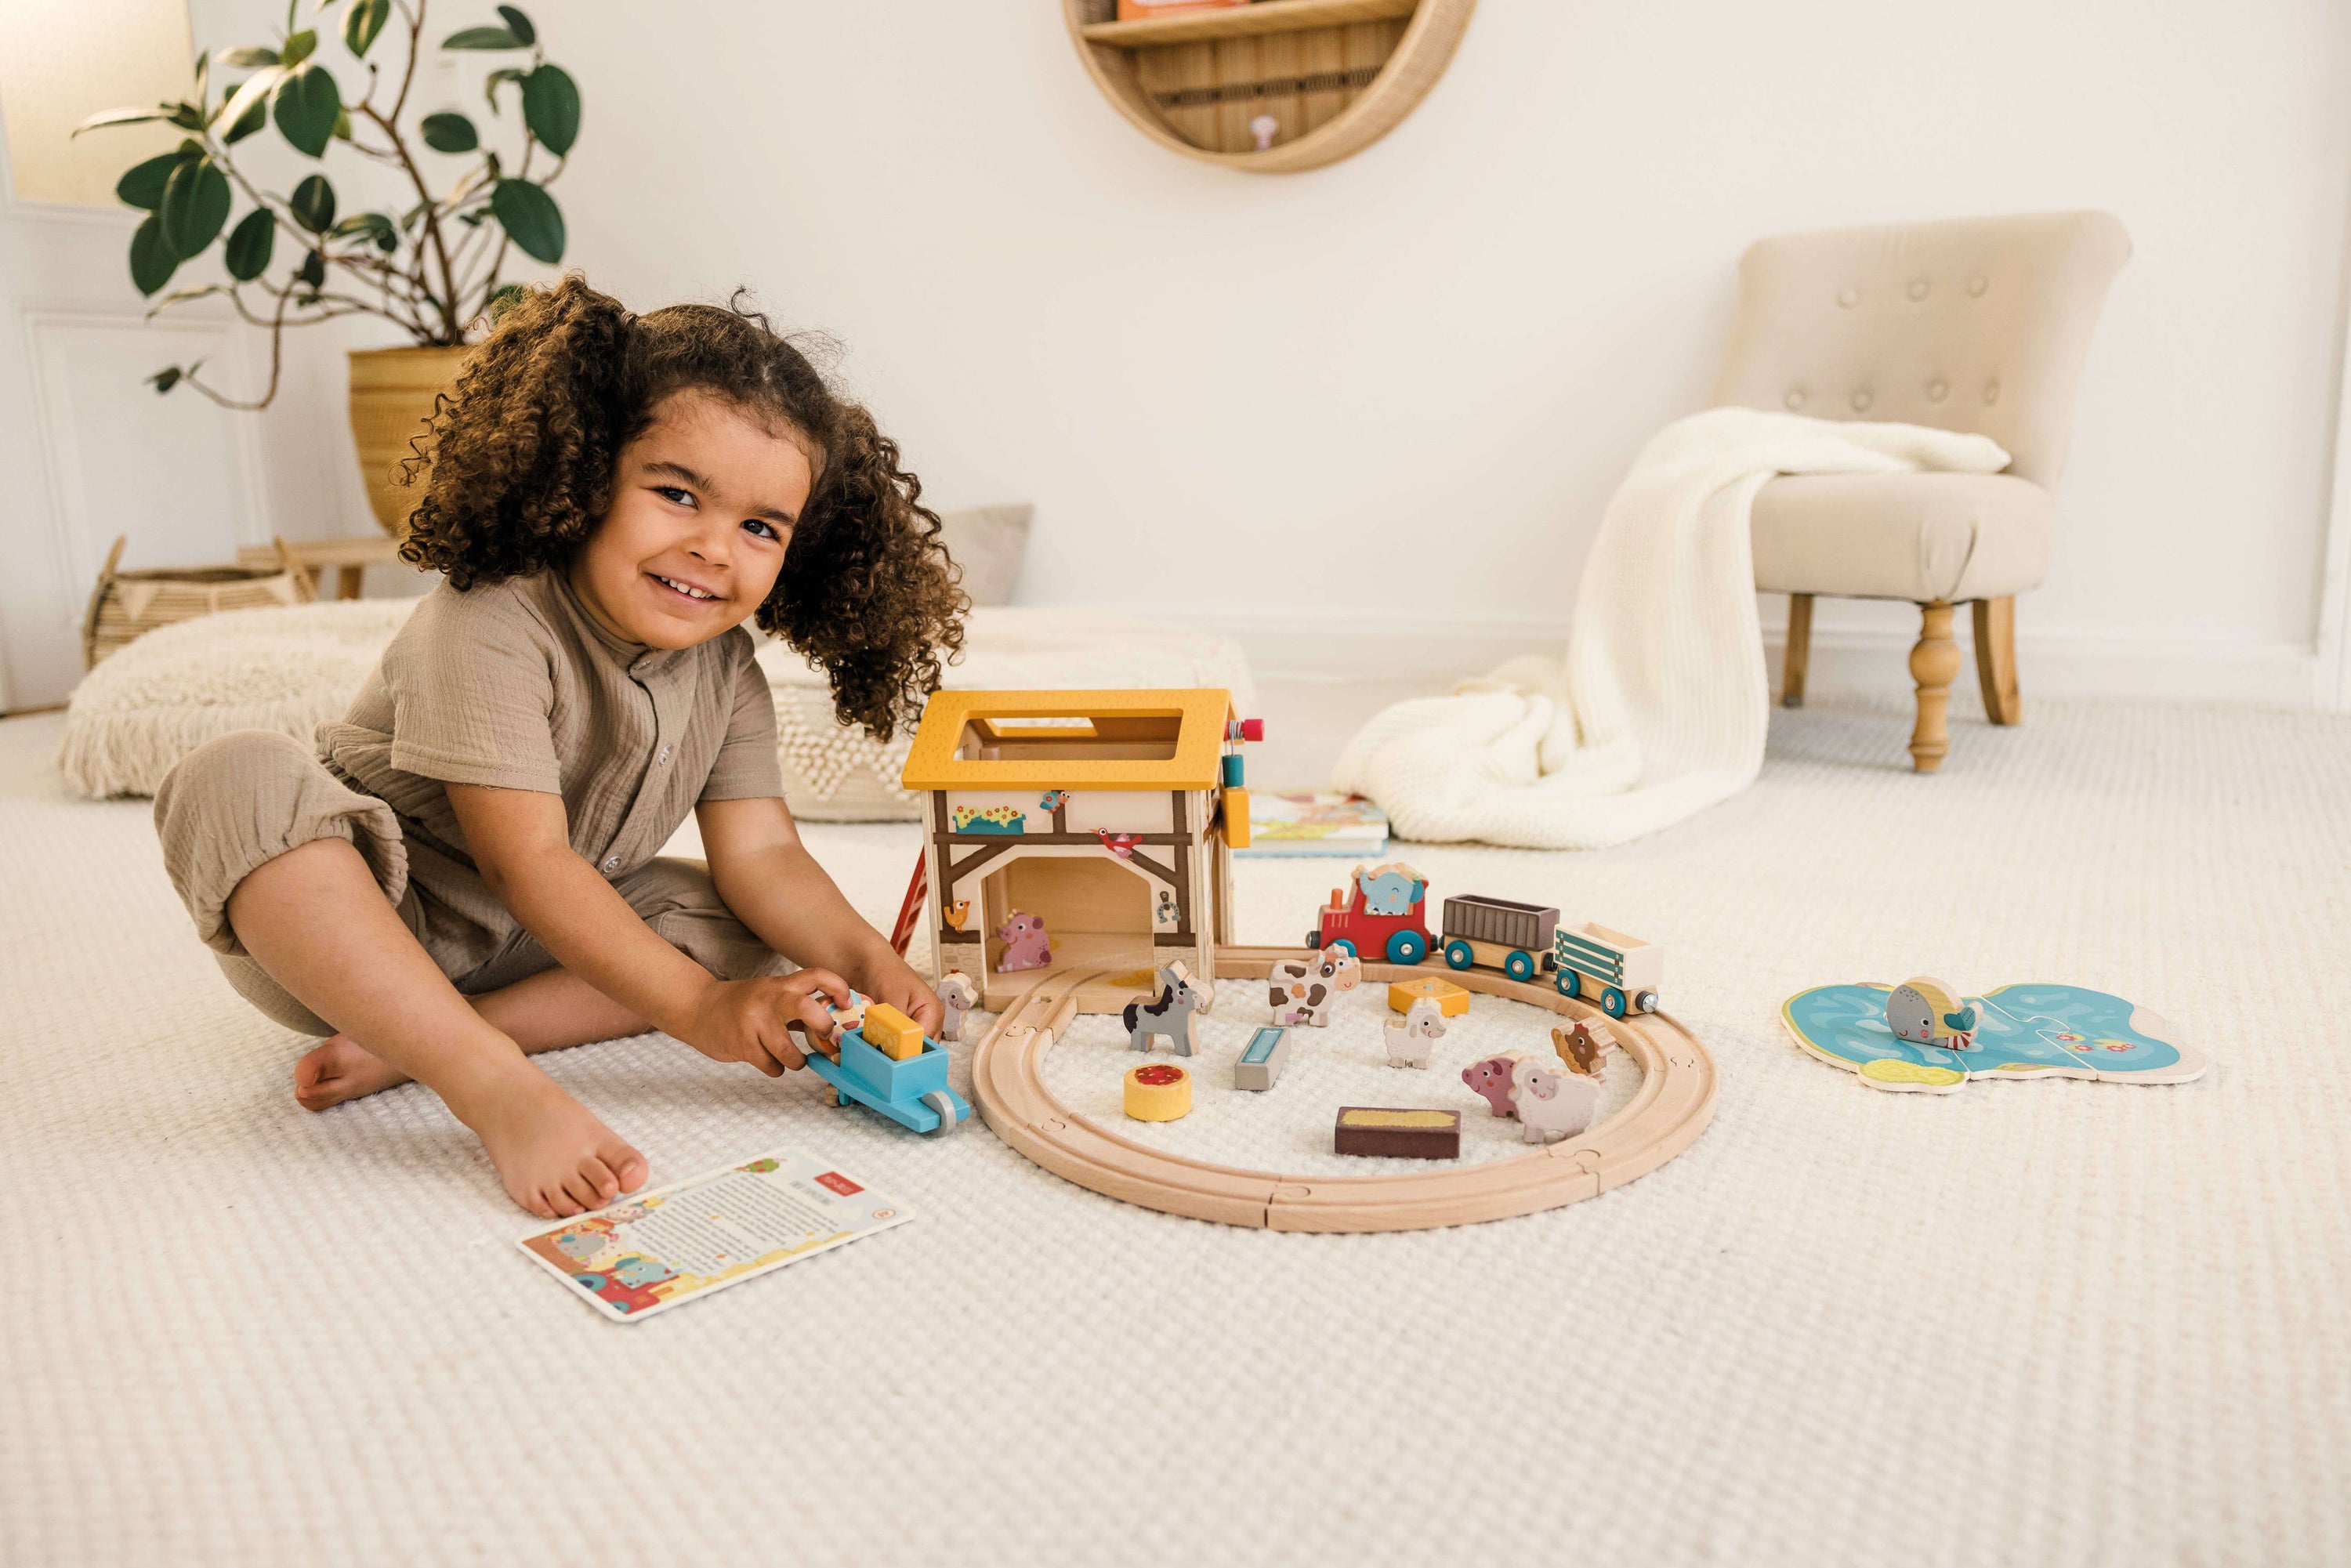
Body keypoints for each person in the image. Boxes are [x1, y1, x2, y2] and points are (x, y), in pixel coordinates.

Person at [153, 277, 966, 1219]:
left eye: (758, 527)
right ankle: (489, 1079)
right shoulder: (491, 616)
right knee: (235, 776)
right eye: (675, 494)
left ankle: (416, 1042)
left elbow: (765, 855)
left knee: (744, 931)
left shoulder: (726, 669)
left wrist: (869, 959)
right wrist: (701, 1014)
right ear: (583, 477)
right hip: (361, 928)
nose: (713, 548)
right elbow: (528, 861)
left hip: (529, 951)